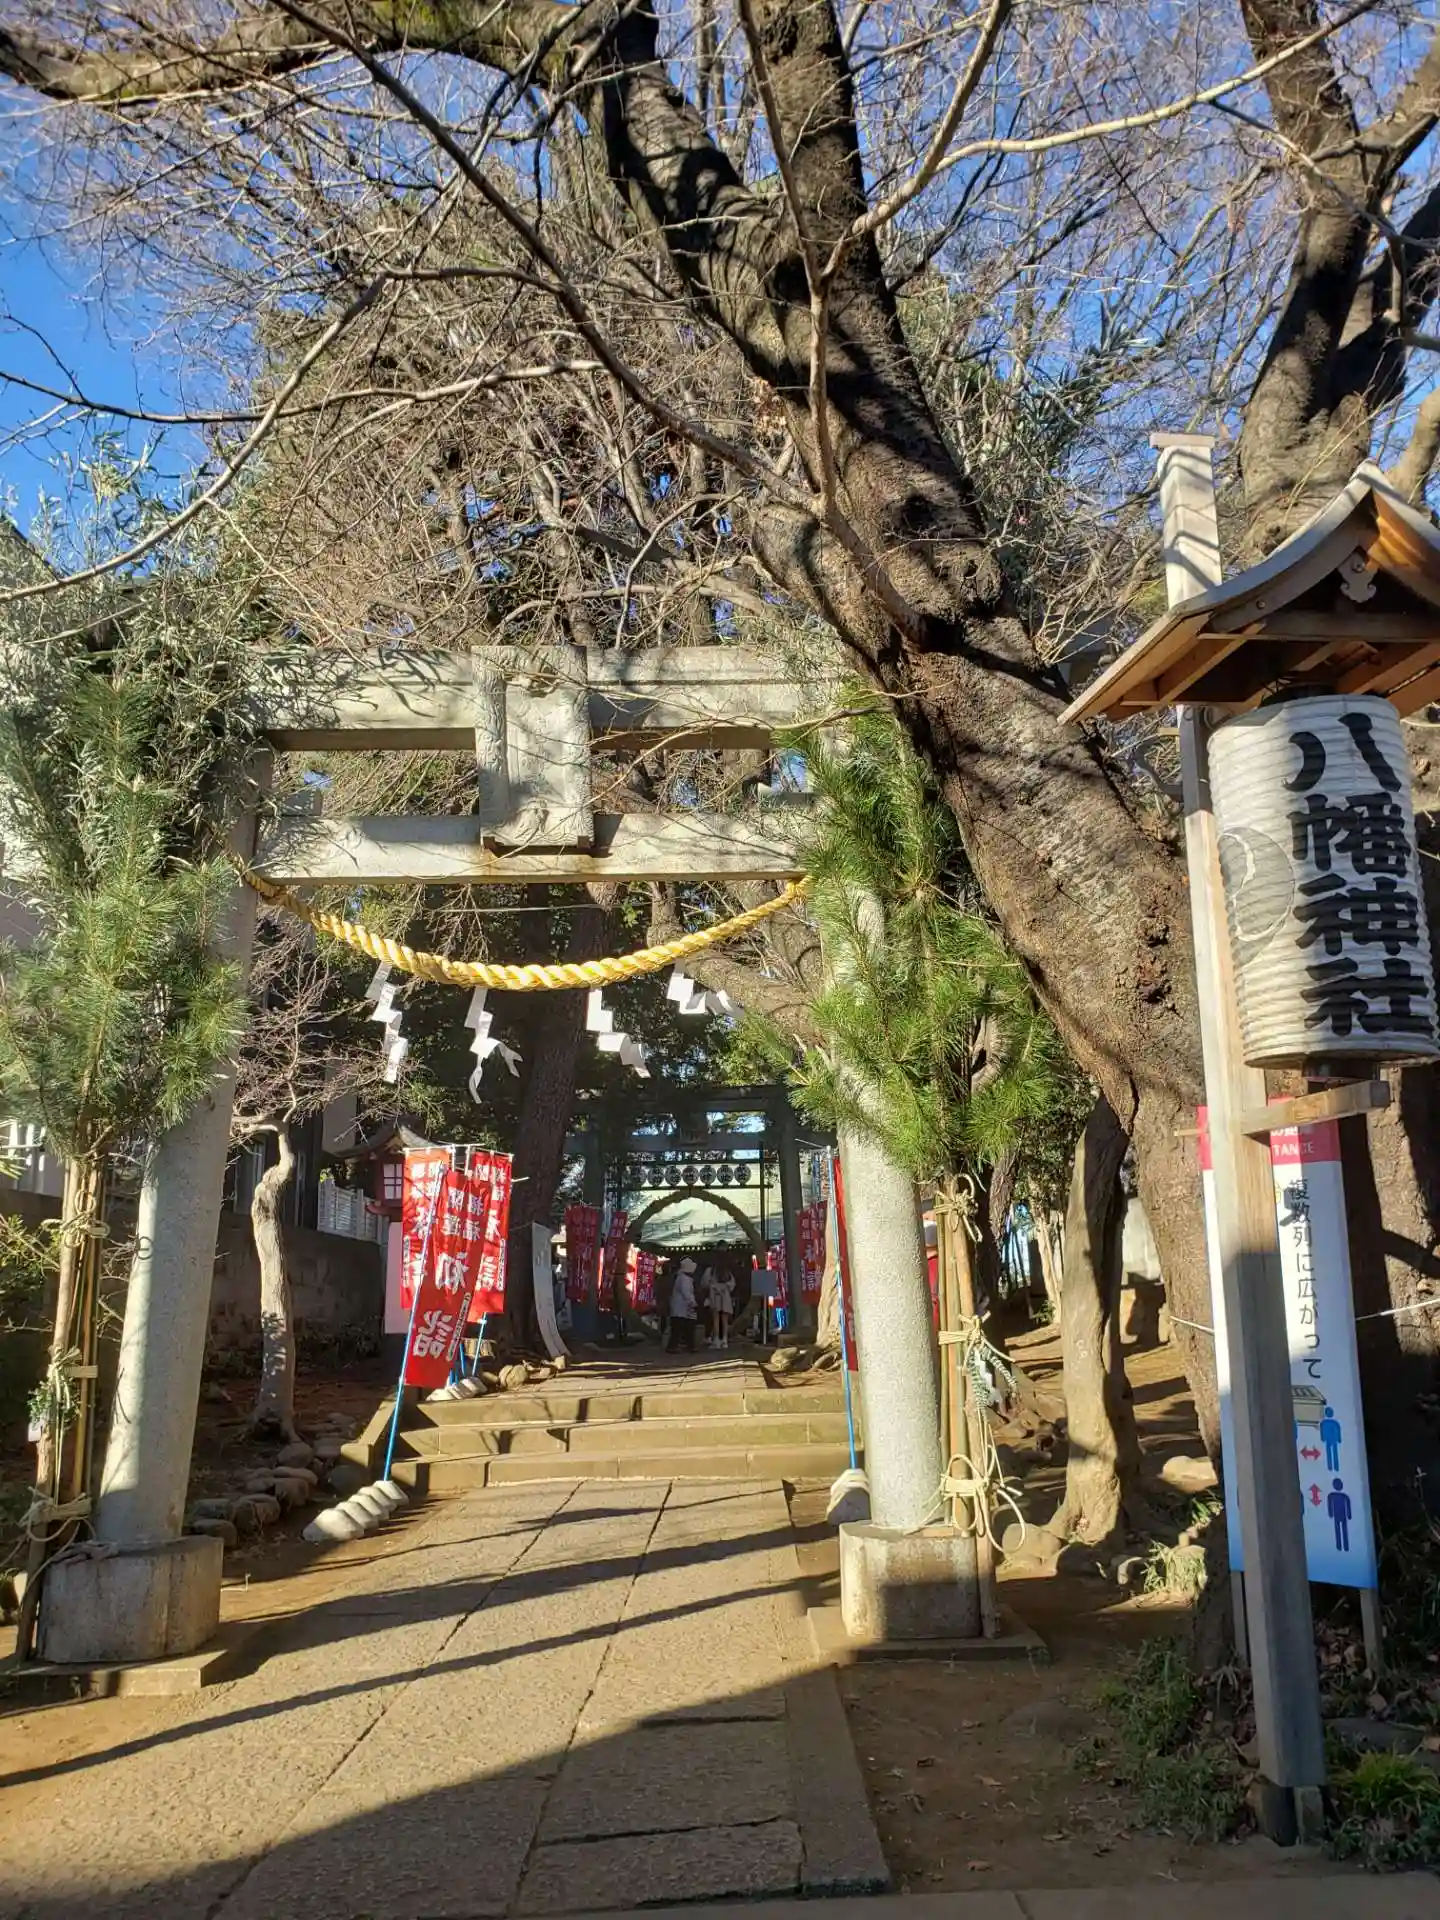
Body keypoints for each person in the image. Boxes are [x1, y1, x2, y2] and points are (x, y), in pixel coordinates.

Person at [667, 1257, 698, 1353]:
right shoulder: (685, 1279)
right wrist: (693, 1303)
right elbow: (687, 1293)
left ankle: (681, 1345)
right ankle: (679, 1346)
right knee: (683, 1328)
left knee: (679, 1328)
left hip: (680, 1309)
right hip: (682, 1309)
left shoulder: (681, 1277)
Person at [708, 1263, 735, 1349]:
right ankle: (724, 1340)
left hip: (715, 1298)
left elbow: (708, 1285)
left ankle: (716, 1340)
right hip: (726, 1298)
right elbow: (732, 1286)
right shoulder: (728, 1275)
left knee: (716, 1319)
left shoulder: (713, 1274)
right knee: (725, 1320)